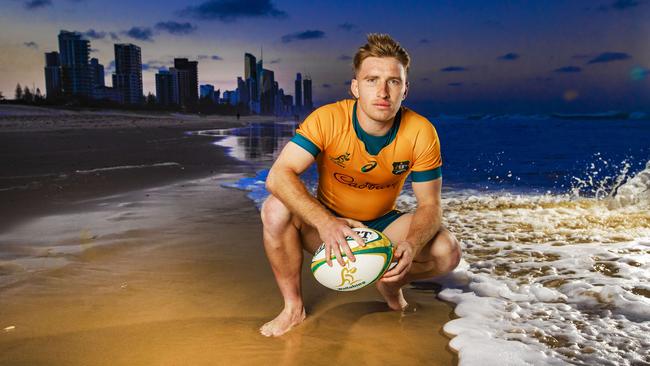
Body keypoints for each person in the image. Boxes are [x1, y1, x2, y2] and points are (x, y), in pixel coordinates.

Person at [259, 33, 462, 337]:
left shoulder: (421, 131)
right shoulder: (328, 119)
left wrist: (412, 244)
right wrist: (326, 222)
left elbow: (430, 205)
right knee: (274, 209)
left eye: (393, 81)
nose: (383, 91)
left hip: (382, 227)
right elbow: (278, 175)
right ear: (355, 87)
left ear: (404, 89)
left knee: (448, 251)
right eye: (372, 80)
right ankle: (293, 309)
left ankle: (389, 281)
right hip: (326, 227)